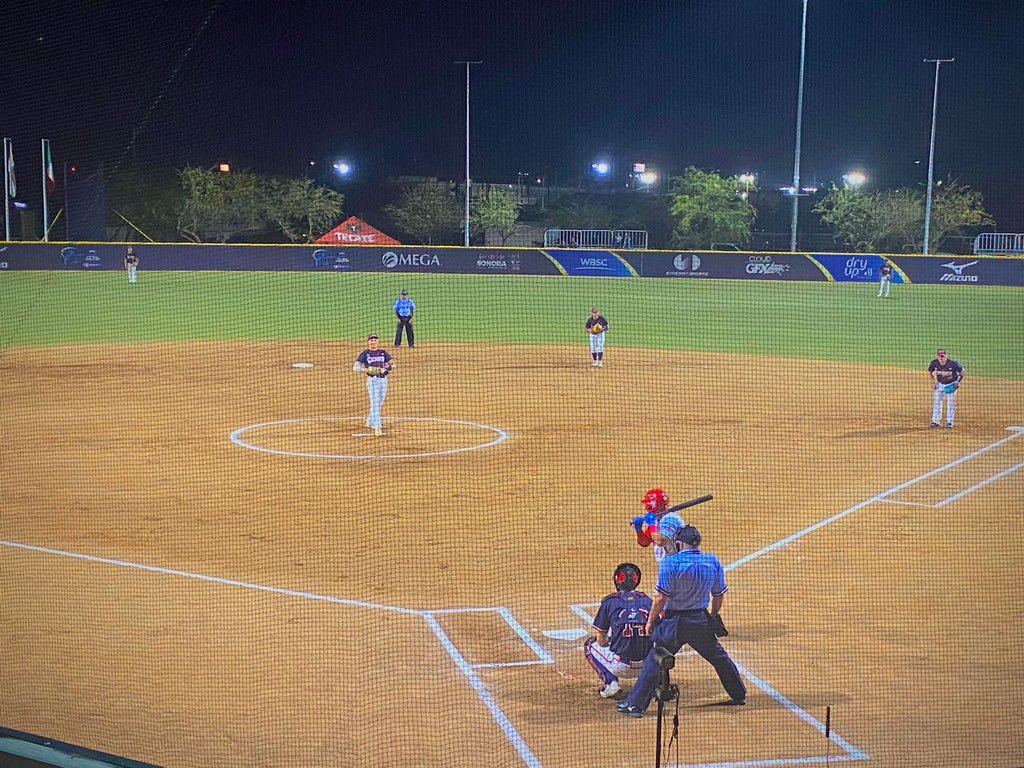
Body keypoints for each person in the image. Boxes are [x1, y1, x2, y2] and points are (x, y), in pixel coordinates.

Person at [617, 526, 746, 718]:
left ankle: (635, 705)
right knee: (719, 657)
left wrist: (651, 621)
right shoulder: (712, 561)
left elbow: (661, 598)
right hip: (700, 620)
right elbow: (718, 594)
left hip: (674, 622)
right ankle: (739, 694)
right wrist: (713, 615)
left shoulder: (671, 563)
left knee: (655, 659)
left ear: (680, 543)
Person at [584, 563, 654, 699]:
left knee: (589, 644)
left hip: (621, 666)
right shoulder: (647, 601)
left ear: (617, 580)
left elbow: (602, 641)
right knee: (658, 641)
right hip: (648, 665)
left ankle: (610, 682)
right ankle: (655, 682)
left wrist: (614, 639)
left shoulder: (610, 602)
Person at [631, 489, 686, 570]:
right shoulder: (657, 520)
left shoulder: (670, 519)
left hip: (679, 565)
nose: (646, 507)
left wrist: (652, 523)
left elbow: (660, 541)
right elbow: (645, 542)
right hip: (668, 566)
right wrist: (639, 530)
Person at [353, 334, 394, 436]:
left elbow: (393, 364)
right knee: (374, 402)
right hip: (372, 381)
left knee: (380, 401)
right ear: (368, 342)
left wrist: (386, 369)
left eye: (375, 340)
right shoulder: (365, 354)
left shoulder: (383, 353)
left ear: (378, 342)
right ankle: (377, 427)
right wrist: (366, 369)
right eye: (371, 340)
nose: (373, 342)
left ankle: (370, 421)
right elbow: (355, 367)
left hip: (383, 380)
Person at [928, 348, 965, 430]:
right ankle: (935, 421)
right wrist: (933, 382)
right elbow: (930, 371)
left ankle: (950, 422)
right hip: (940, 384)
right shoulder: (934, 363)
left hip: (951, 385)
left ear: (946, 356)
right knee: (937, 402)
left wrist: (957, 383)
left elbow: (962, 371)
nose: (941, 358)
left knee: (951, 404)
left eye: (942, 356)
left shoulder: (954, 364)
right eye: (939, 356)